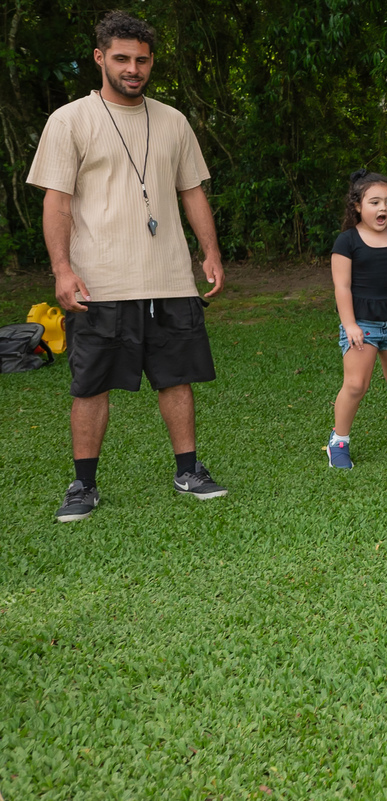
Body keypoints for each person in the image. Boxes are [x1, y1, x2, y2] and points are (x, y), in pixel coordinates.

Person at [27, 10, 228, 522]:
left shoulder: (173, 120)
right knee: (91, 384)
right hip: (100, 282)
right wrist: (62, 270)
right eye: (121, 58)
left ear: (152, 61)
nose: (132, 69)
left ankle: (189, 471)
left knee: (176, 378)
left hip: (169, 278)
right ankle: (83, 485)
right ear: (100, 58)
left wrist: (210, 251)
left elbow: (192, 191)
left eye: (141, 60)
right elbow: (57, 202)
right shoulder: (70, 120)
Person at [325, 170, 387, 469]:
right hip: (362, 325)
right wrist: (350, 324)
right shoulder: (347, 241)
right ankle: (338, 441)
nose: (383, 208)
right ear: (357, 206)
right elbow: (342, 287)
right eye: (375, 202)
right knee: (356, 384)